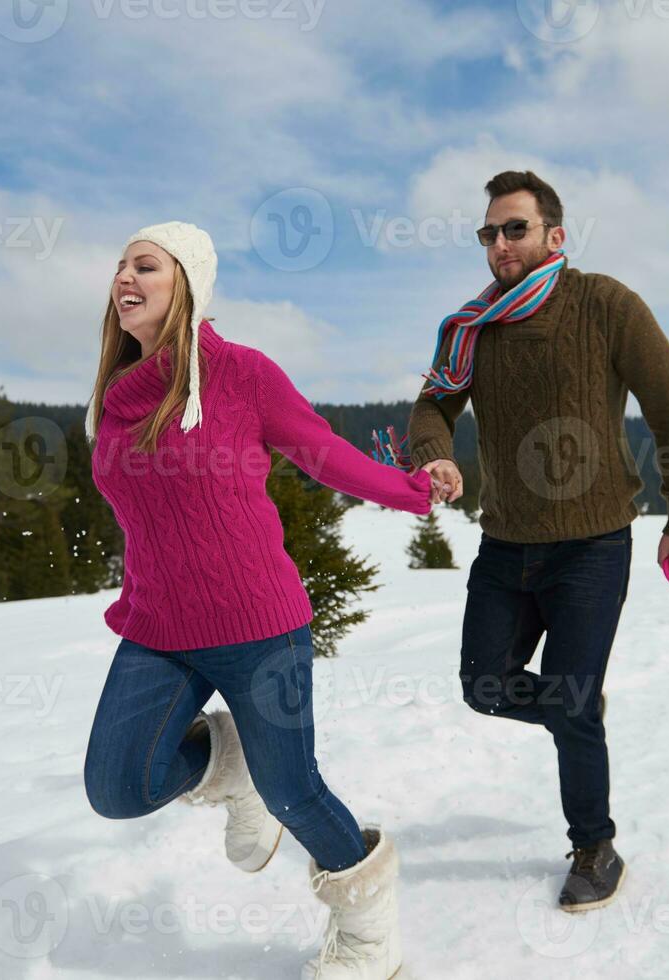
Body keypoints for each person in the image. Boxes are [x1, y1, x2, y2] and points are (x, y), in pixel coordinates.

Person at [82, 220, 430, 978]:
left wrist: (413, 492)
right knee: (117, 787)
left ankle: (367, 928)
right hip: (156, 628)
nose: (124, 280)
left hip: (256, 626)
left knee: (292, 795)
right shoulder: (114, 400)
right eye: (119, 268)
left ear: (190, 284)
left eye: (145, 265)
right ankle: (222, 764)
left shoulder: (241, 374)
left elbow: (324, 453)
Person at [405, 171, 669, 912]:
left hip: (593, 545)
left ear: (554, 237)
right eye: (489, 232)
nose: (499, 244)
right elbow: (432, 403)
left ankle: (594, 846)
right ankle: (577, 707)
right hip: (504, 545)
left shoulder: (606, 305)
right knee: (484, 687)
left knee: (569, 701)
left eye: (515, 229)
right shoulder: (472, 327)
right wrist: (433, 451)